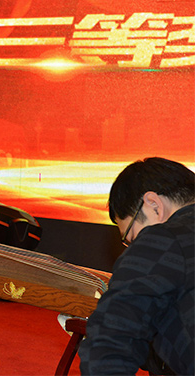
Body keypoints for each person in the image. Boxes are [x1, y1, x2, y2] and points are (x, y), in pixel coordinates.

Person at [79, 157, 194, 375]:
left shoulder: (163, 239)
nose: (132, 248)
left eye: (131, 237)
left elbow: (108, 345)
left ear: (153, 205)